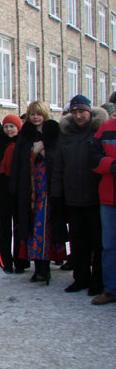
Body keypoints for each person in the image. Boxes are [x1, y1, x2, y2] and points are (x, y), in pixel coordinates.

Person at [51, 95, 106, 296]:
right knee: (77, 241)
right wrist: (56, 196)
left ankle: (98, 280)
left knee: (97, 242)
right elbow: (58, 167)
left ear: (89, 112)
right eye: (74, 112)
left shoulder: (98, 132)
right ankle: (80, 278)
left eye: (81, 111)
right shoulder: (65, 135)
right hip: (72, 197)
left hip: (95, 197)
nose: (78, 115)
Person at [10, 101, 65, 285]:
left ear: (45, 115)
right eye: (32, 114)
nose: (35, 117)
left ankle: (45, 268)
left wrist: (42, 151)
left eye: (38, 114)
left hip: (48, 190)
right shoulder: (25, 135)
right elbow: (18, 161)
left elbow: (58, 159)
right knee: (32, 227)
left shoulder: (53, 134)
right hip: (30, 190)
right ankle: (38, 267)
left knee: (45, 227)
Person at [0, 114, 26, 274]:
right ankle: (4, 260)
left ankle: (21, 260)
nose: (9, 130)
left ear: (18, 127)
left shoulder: (23, 143)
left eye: (12, 126)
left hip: (19, 189)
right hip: (1, 189)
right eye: (6, 126)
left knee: (19, 225)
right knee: (3, 226)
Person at [89, 110, 116, 305]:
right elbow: (93, 159)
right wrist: (111, 165)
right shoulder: (105, 128)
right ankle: (111, 289)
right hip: (109, 197)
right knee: (109, 247)